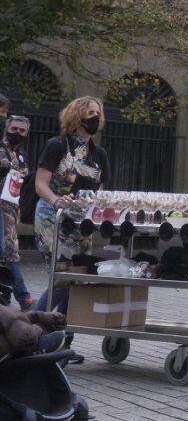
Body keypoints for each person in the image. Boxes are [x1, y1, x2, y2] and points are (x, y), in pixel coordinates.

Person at [34, 97, 109, 317]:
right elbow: (40, 184)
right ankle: (33, 327)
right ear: (78, 116)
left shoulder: (99, 154)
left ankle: (63, 333)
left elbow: (101, 191)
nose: (96, 117)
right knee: (62, 278)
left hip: (81, 223)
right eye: (91, 113)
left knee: (78, 278)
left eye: (98, 114)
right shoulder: (57, 145)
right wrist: (56, 200)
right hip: (52, 218)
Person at [0, 115, 35, 309]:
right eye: (14, 129)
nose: (17, 133)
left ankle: (5, 294)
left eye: (22, 131)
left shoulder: (22, 155)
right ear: (6, 128)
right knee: (9, 252)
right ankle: (24, 298)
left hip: (12, 210)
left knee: (4, 252)